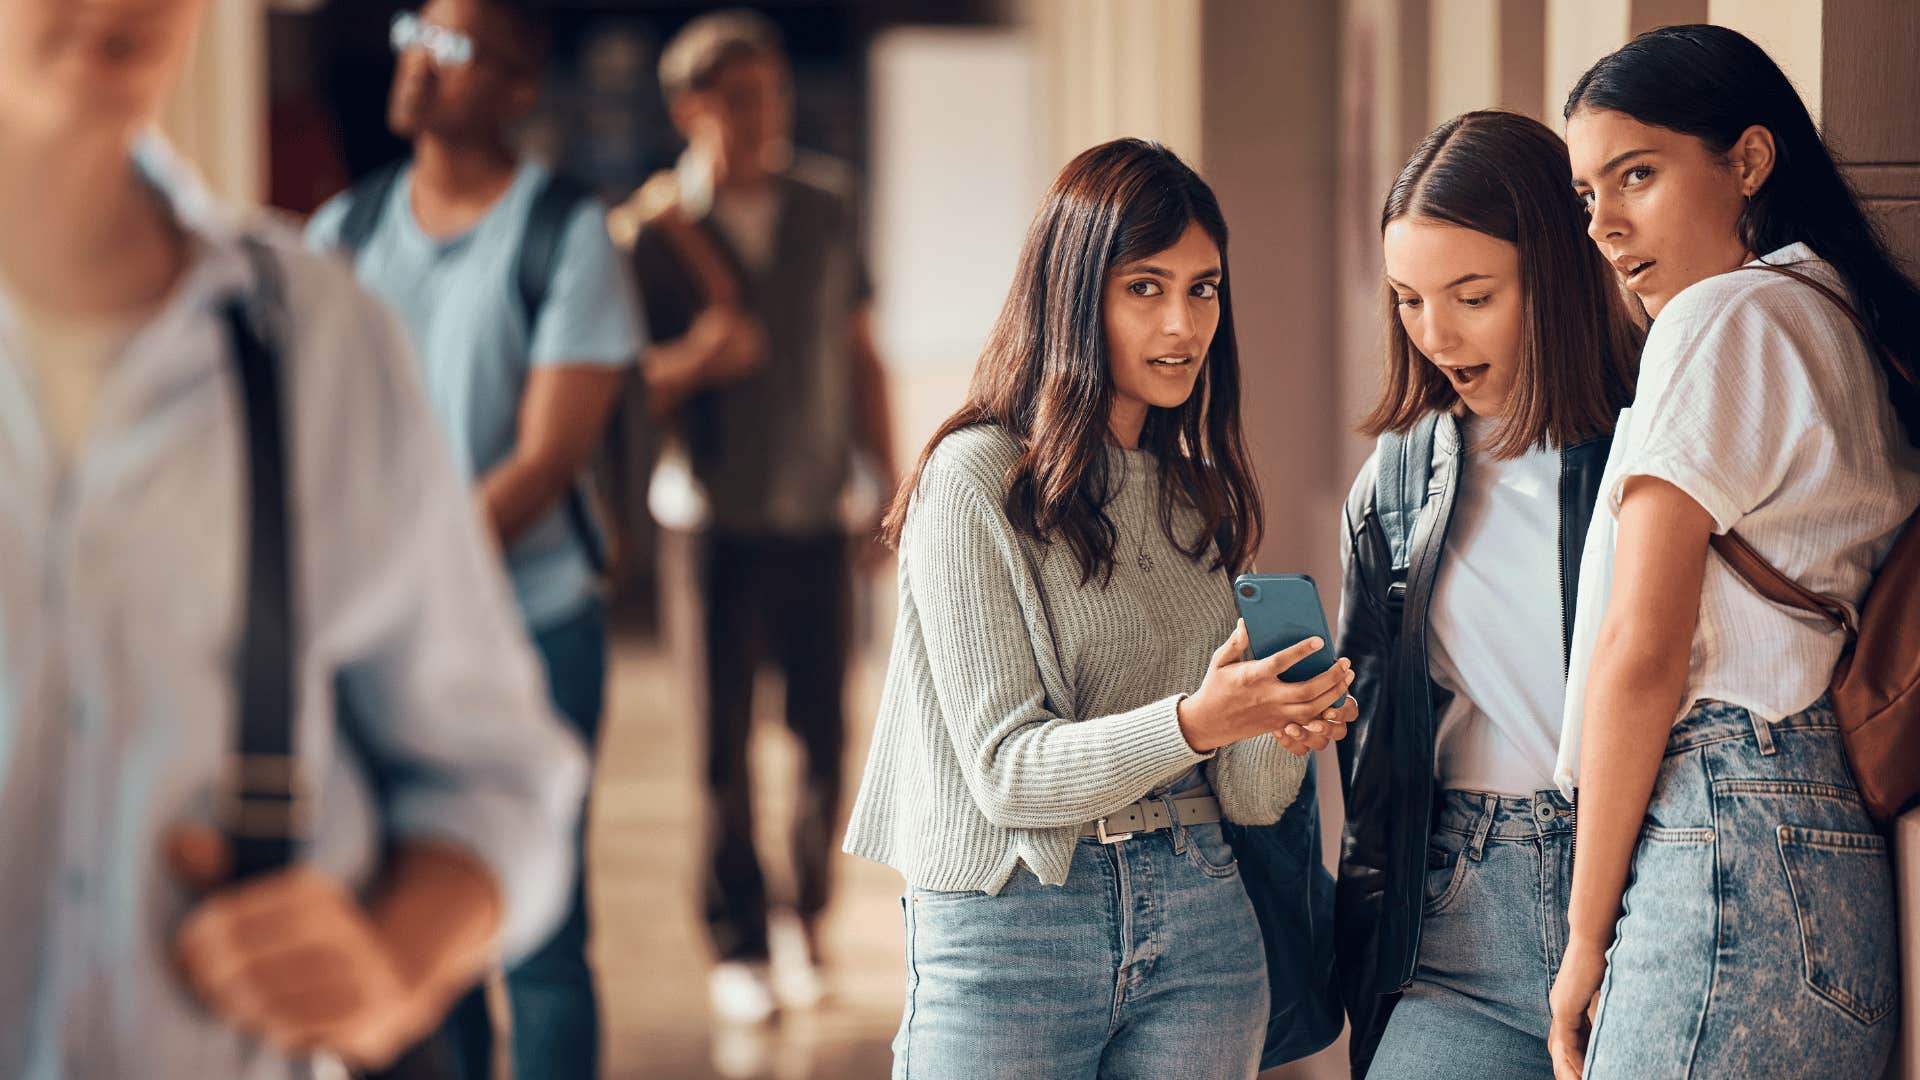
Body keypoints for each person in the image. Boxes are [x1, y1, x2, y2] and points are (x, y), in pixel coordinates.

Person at [0, 0, 587, 1075]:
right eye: (425, 39)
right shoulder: (360, 230)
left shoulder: (320, 334)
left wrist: (397, 962)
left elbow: (498, 778)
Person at [842, 137, 1356, 1080]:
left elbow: (1243, 793)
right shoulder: (975, 481)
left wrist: (1279, 727)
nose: (1183, 324)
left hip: (1203, 926)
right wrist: (1202, 719)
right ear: (1076, 296)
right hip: (1011, 933)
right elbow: (1008, 772)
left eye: (1204, 288)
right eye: (1145, 288)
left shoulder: (1195, 492)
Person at [1551, 24, 1920, 1080]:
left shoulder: (1723, 318)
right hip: (1829, 856)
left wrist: (1583, 943)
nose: (1607, 226)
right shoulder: (1844, 317)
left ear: (1748, 161)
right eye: (1587, 196)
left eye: (1638, 175)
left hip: (1726, 837)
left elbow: (1642, 651)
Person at [305, 1, 642, 1075]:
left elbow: (544, 463)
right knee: (415, 922)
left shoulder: (563, 233)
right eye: (415, 28)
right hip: (375, 635)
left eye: (452, 45)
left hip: (535, 624)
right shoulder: (341, 238)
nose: (418, 57)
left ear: (516, 85)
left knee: (535, 933)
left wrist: (408, 581)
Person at [1332, 111, 1642, 1079]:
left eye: (1472, 295)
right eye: (1409, 301)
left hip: (1644, 891)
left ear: (1551, 274)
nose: (1435, 335)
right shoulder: (1398, 478)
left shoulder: (1654, 444)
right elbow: (1374, 747)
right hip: (1462, 913)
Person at [607, 9, 897, 1022]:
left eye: (773, 92)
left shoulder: (827, 206)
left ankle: (804, 924)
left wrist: (889, 484)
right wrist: (696, 359)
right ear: (691, 108)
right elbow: (609, 386)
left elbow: (860, 356)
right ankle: (735, 945)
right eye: (740, 97)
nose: (765, 113)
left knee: (825, 738)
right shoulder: (649, 233)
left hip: (817, 511)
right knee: (718, 752)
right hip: (709, 524)